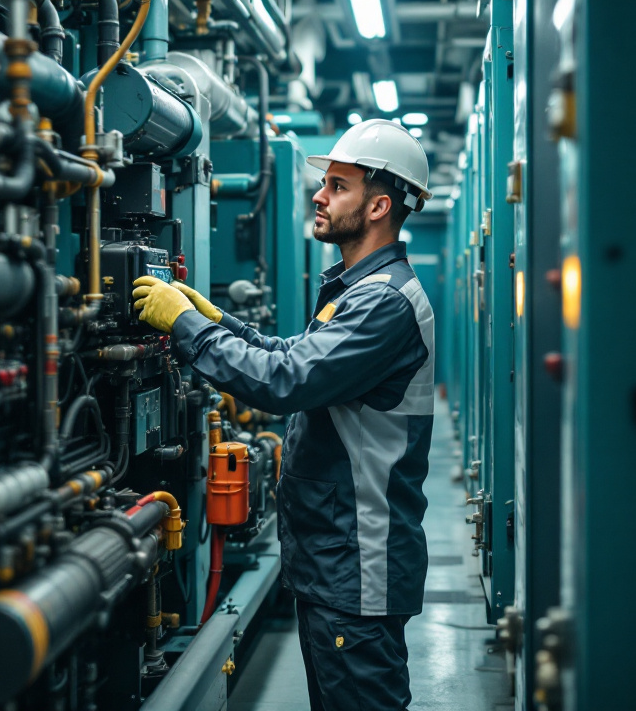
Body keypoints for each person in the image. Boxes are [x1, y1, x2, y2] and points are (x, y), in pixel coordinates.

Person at [132, 119, 434, 711]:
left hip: (358, 562)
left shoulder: (382, 302)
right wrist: (217, 321)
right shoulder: (359, 290)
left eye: (338, 186)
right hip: (335, 558)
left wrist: (185, 326)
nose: (319, 195)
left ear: (378, 206)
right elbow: (296, 356)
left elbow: (284, 381)